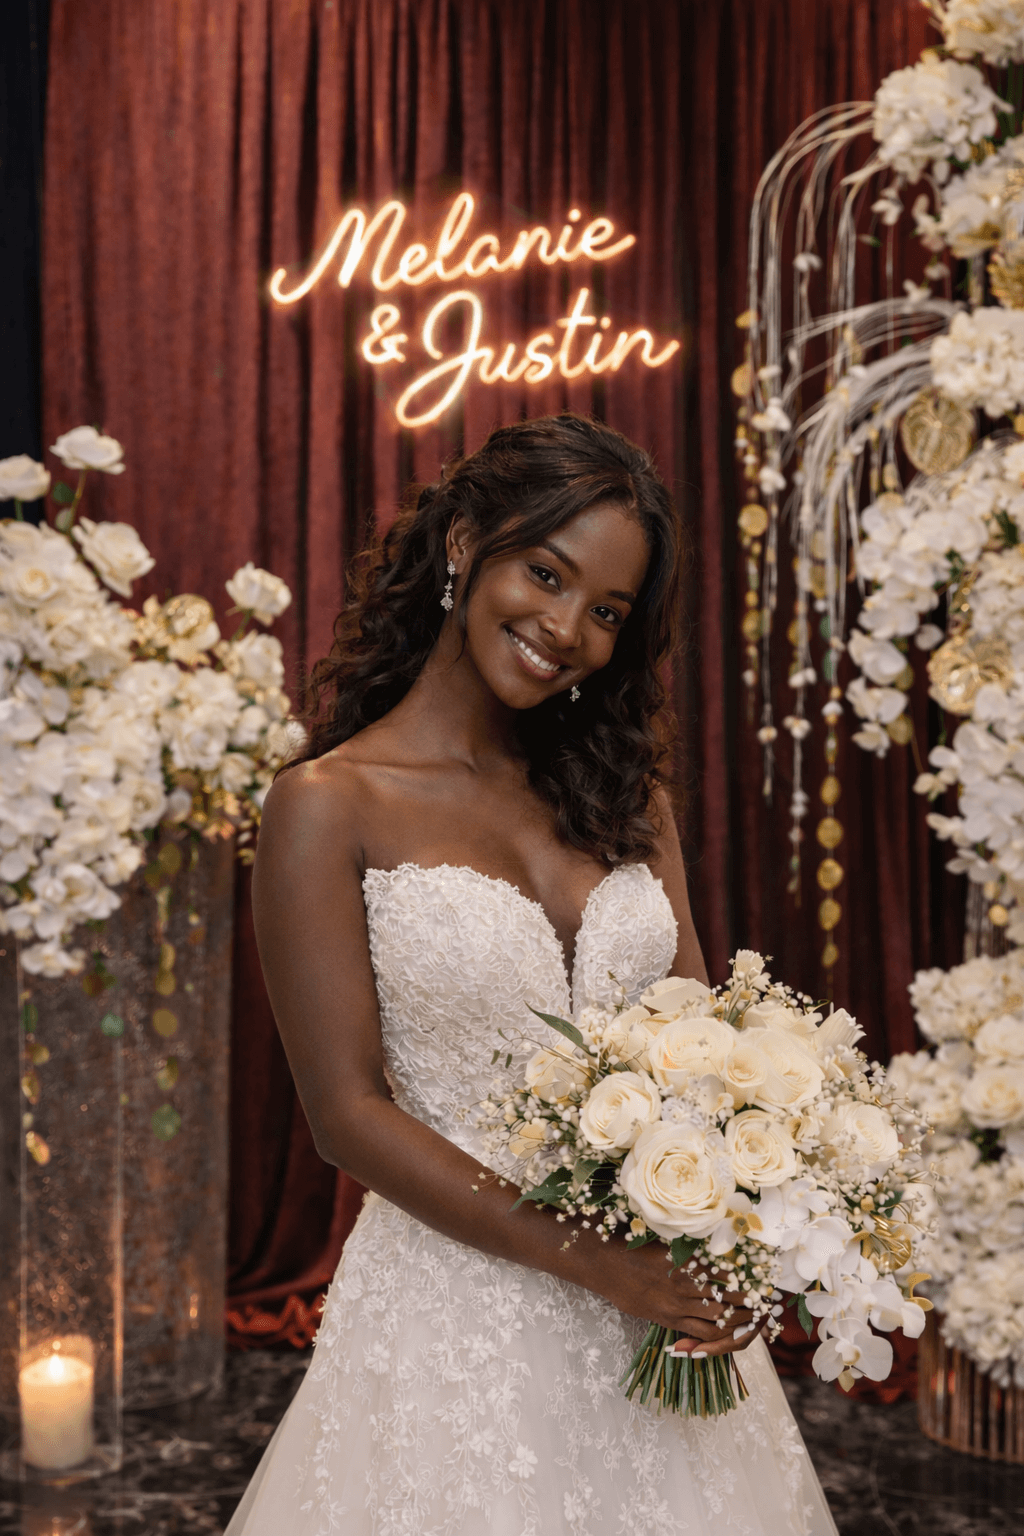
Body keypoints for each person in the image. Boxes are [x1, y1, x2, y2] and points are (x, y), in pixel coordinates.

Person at [225, 414, 838, 1536]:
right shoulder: (326, 806)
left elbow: (702, 1036)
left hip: (658, 1295)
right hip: (452, 1325)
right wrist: (605, 1266)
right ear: (464, 544)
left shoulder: (625, 802)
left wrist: (739, 1226)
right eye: (545, 574)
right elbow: (347, 1116)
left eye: (606, 612)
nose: (564, 630)